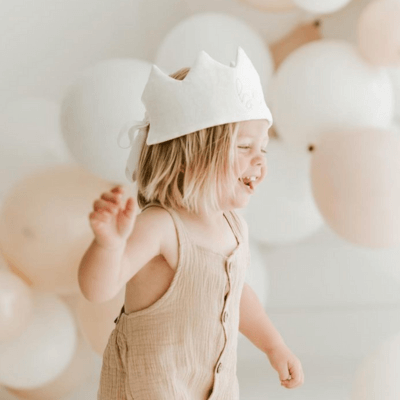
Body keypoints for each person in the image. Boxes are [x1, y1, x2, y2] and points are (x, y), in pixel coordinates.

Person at [78, 47, 304, 400]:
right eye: (245, 146)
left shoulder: (234, 226)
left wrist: (274, 346)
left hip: (213, 390)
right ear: (187, 157)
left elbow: (235, 293)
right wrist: (108, 244)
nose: (259, 159)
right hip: (151, 389)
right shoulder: (161, 227)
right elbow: (98, 290)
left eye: (264, 148)